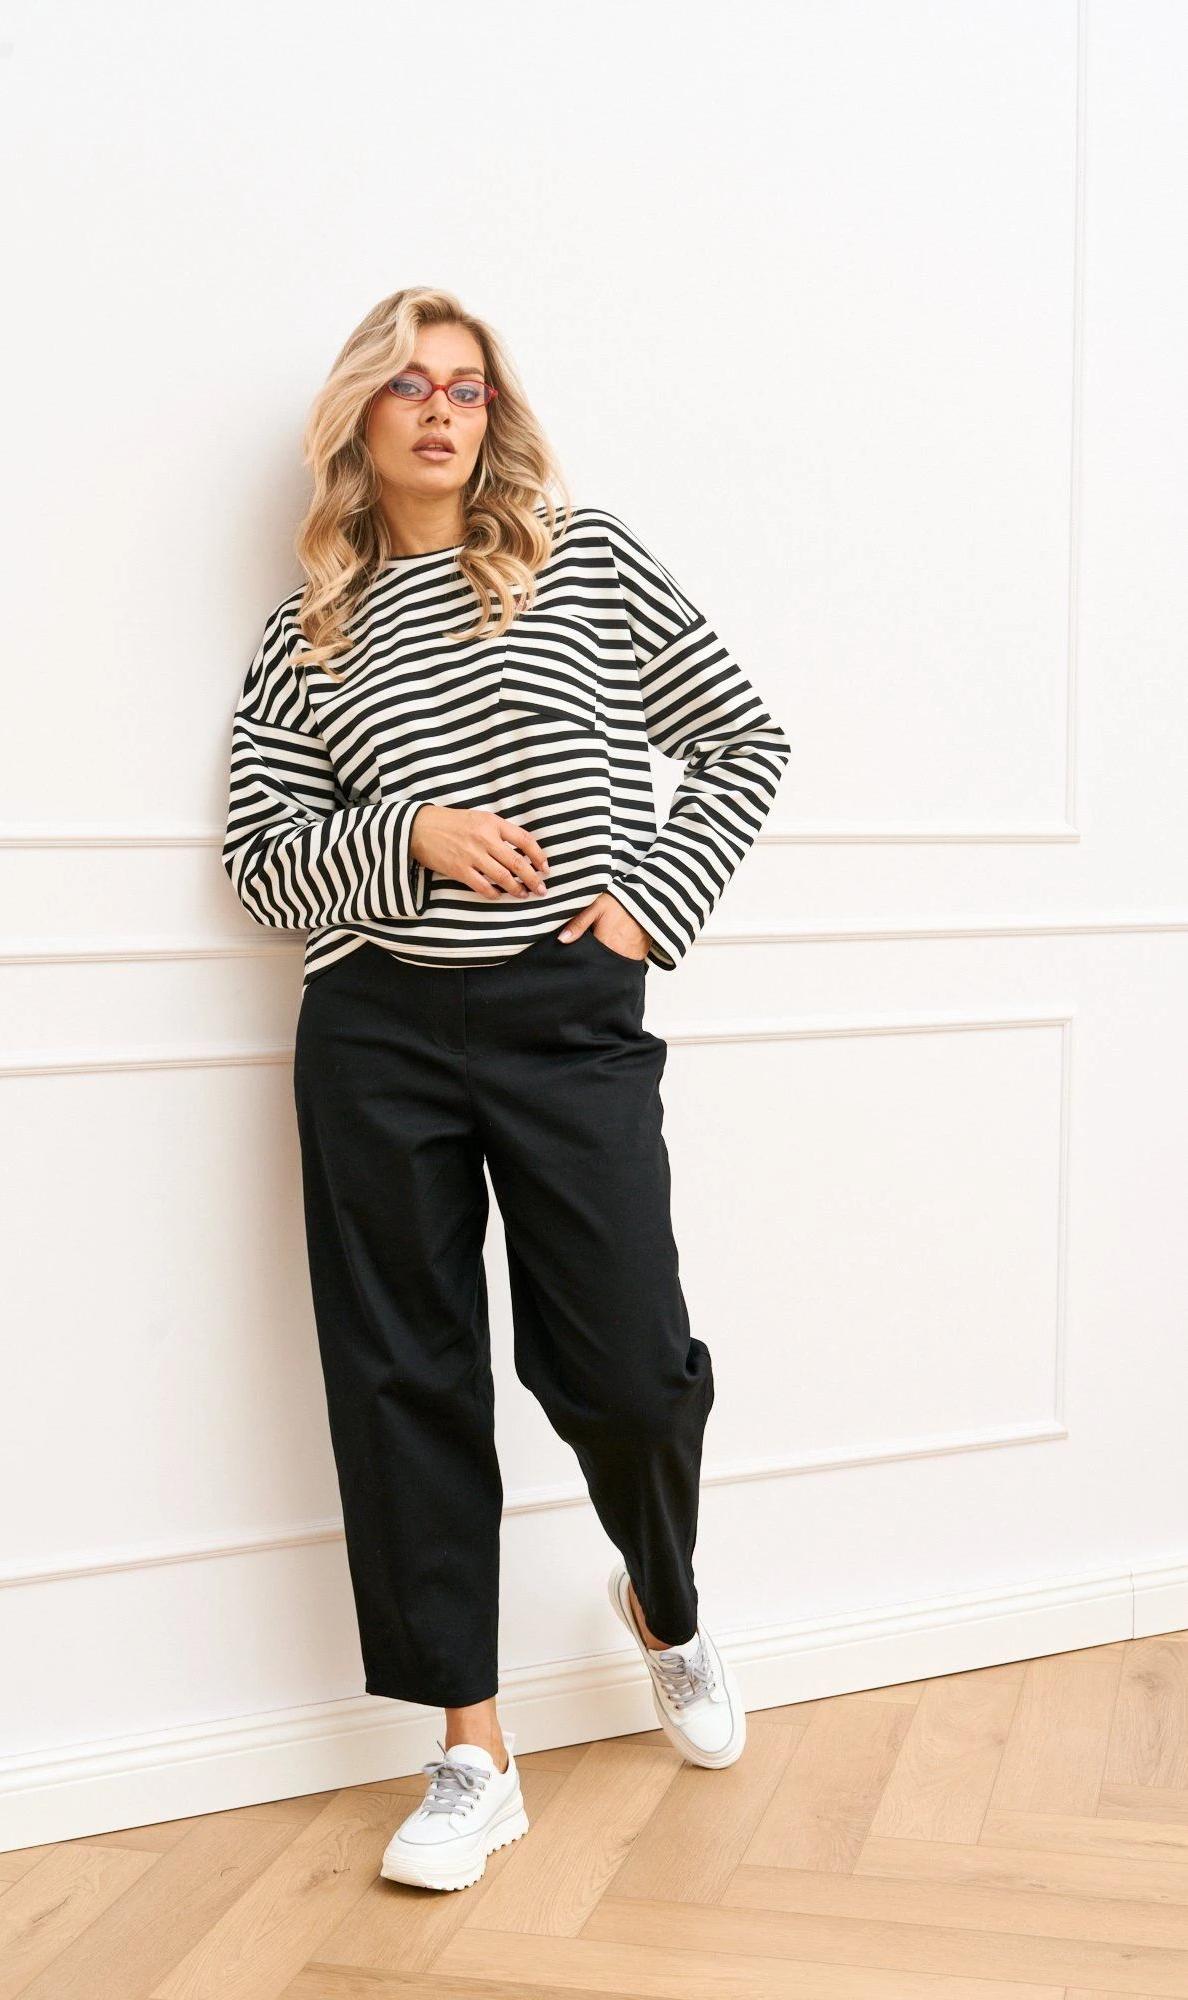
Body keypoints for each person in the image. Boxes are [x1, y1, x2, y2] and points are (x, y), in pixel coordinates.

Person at [222, 286, 792, 1892]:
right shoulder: (310, 628)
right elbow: (261, 865)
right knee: (405, 1373)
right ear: (361, 415)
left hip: (567, 1016)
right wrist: (405, 833)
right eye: (407, 384)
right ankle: (471, 1751)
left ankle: (663, 1600)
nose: (438, 409)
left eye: (465, 386)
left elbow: (743, 741)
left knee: (630, 1364)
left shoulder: (582, 559)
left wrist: (639, 913)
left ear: (494, 414)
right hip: (377, 1031)